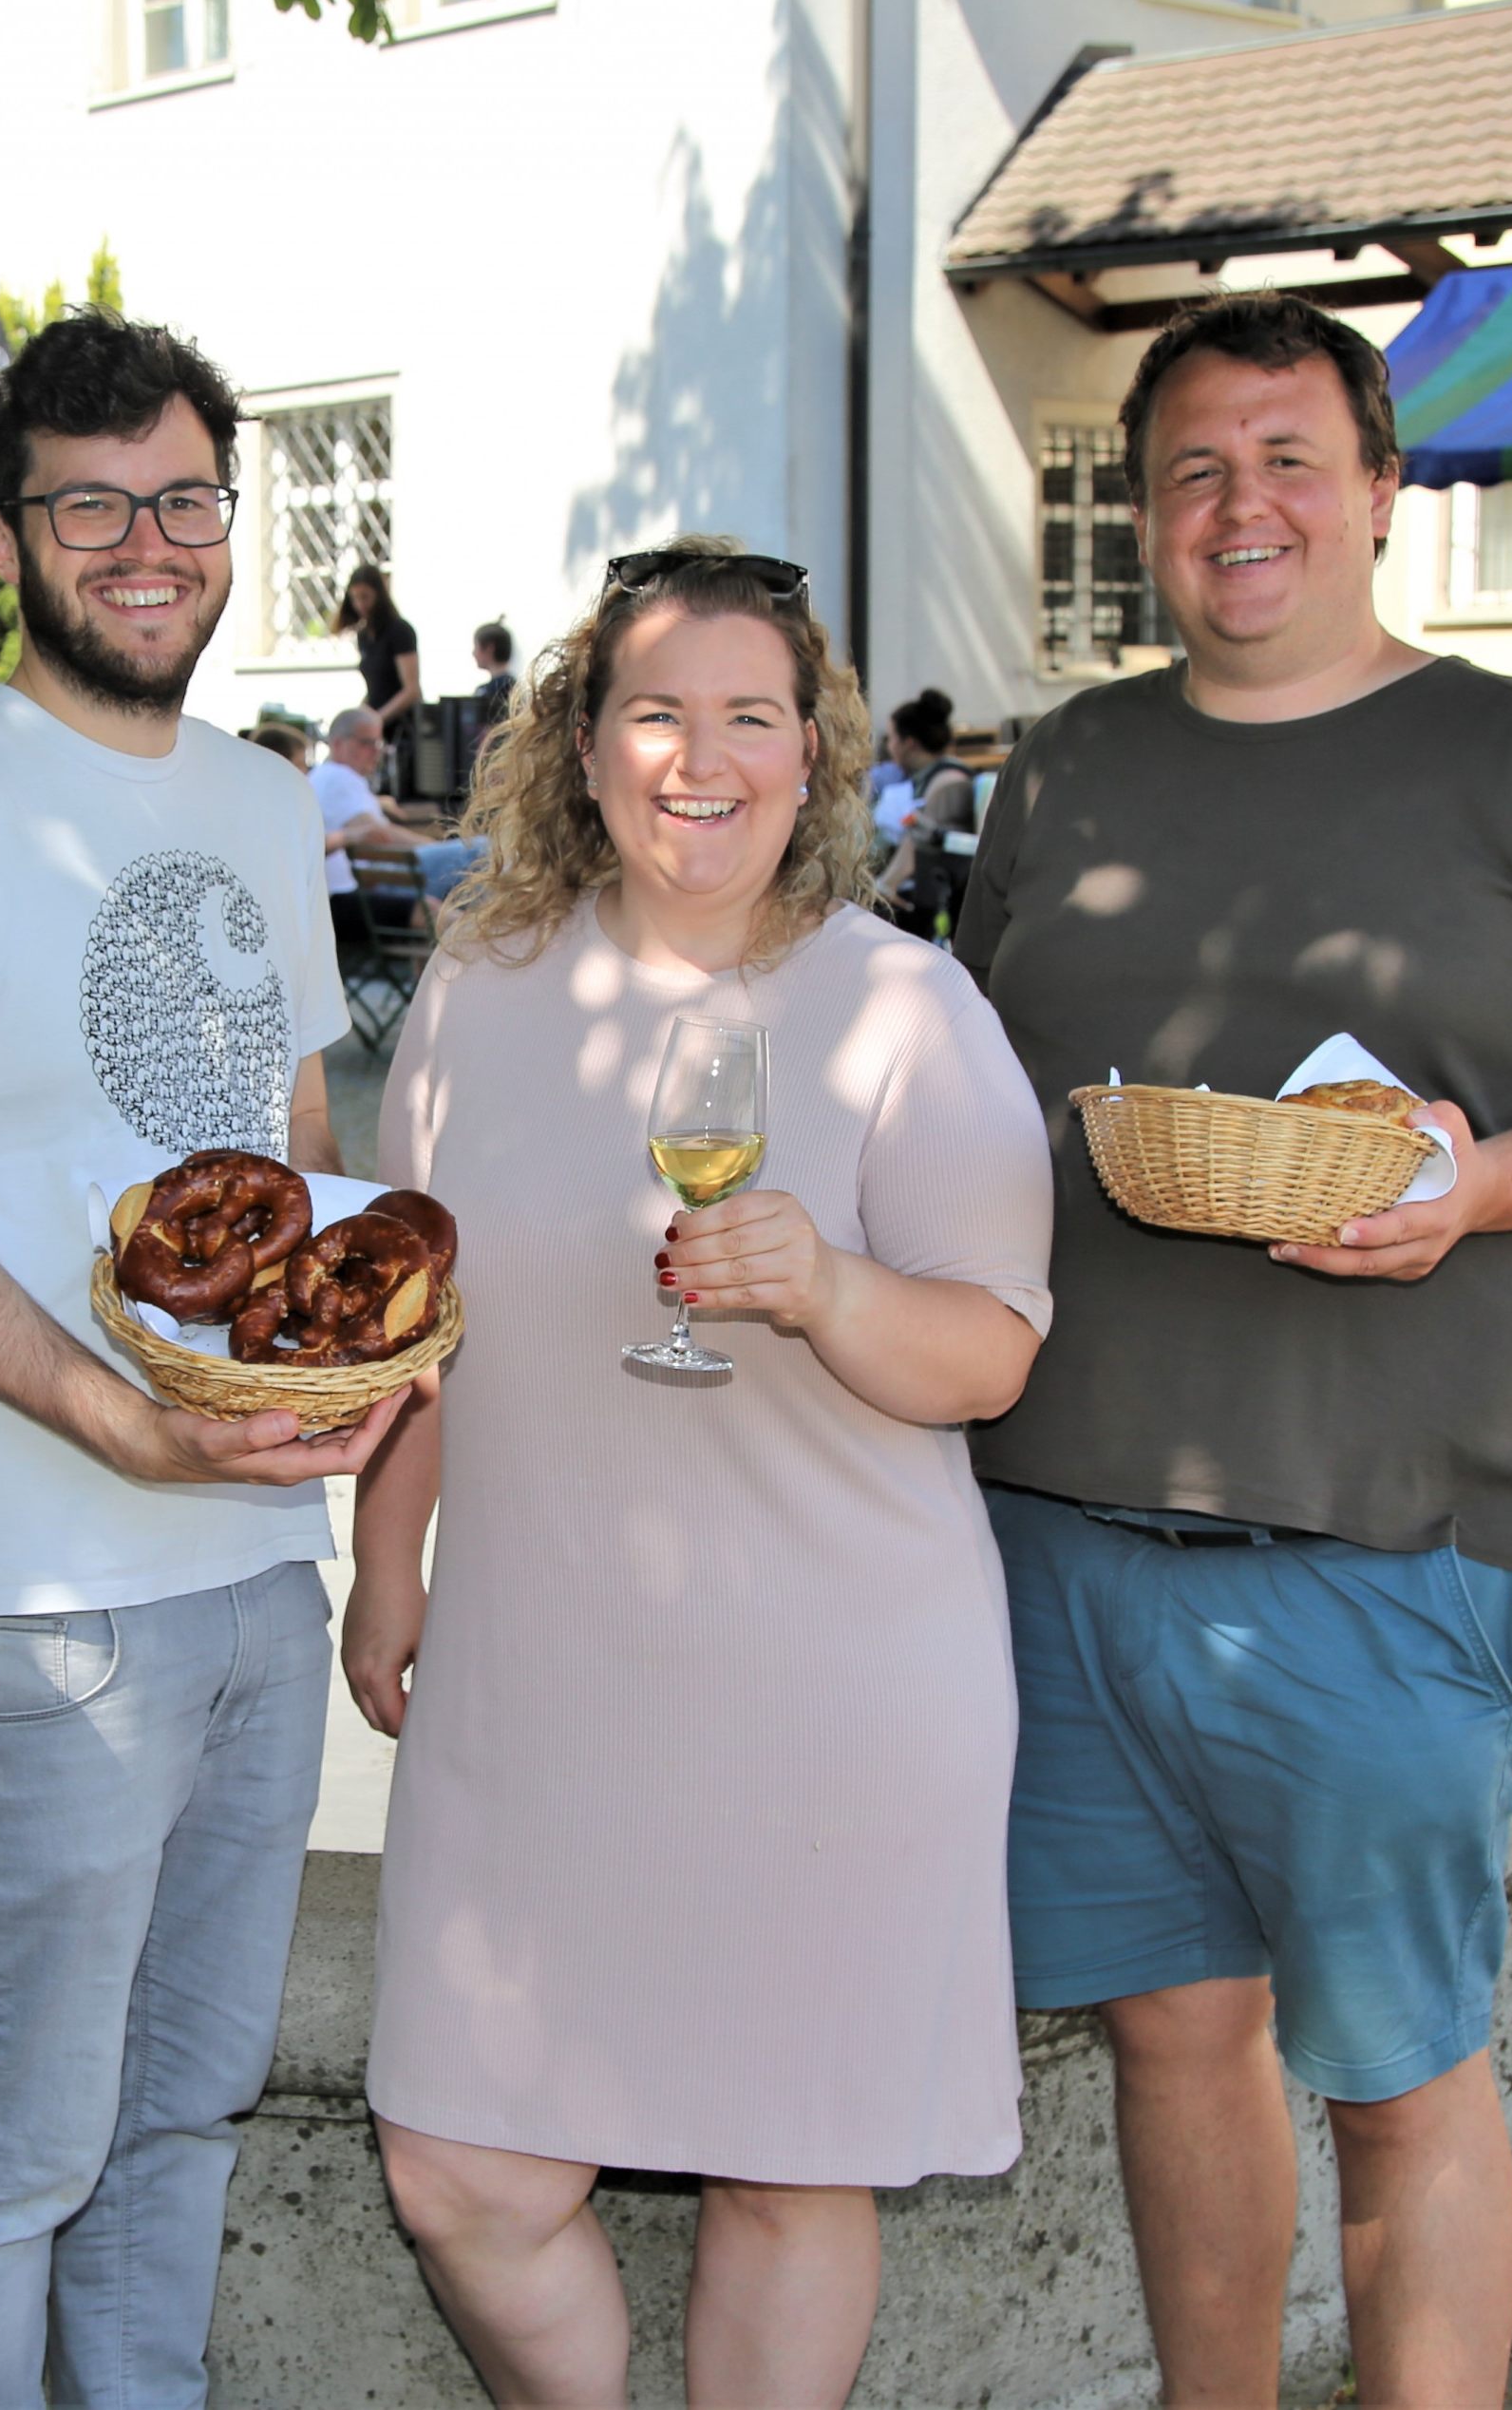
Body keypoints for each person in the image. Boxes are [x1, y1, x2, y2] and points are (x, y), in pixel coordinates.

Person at [954, 293, 1512, 2407]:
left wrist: (1471, 1184)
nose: (1241, 507)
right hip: (1062, 1532)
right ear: (1140, 514)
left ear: (1379, 491)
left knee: (1401, 2076)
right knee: (1167, 2033)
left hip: (1388, 1548)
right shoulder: (1063, 768)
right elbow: (969, 1100)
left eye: (1287, 459)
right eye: (1193, 471)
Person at [341, 539, 1054, 2406]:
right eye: (654, 712)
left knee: (784, 2156)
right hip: (538, 1675)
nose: (699, 757)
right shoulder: (477, 992)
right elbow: (413, 1305)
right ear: (578, 746)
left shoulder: (906, 1010)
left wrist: (822, 1288)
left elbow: (987, 1350)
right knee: (461, 2166)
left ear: (809, 756)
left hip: (827, 1688)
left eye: (750, 715)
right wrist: (383, 1548)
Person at [0, 307, 408, 2407]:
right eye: (88, 506)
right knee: (15, 2149)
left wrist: (340, 1374)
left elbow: (294, 1142)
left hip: (247, 1552)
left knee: (186, 2113)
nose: (143, 544)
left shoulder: (257, 801)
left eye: (180, 500)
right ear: (3, 539)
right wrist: (111, 1421)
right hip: (31, 1579)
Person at [315, 702, 436, 956]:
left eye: (378, 744)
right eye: (366, 743)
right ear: (338, 744)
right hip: (344, 899)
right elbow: (380, 835)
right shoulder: (338, 777)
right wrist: (438, 850)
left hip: (356, 891)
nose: (376, 752)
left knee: (449, 895)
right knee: (471, 863)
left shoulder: (331, 777)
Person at [866, 692, 975, 936]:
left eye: (892, 738)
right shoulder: (930, 778)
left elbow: (922, 839)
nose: (889, 746)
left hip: (933, 907)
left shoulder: (948, 782)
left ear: (910, 743)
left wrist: (885, 886)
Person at [337, 562, 422, 767]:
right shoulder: (364, 636)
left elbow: (411, 690)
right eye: (355, 598)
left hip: (400, 729)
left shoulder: (400, 631)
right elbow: (375, 687)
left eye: (365, 597)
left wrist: (377, 719)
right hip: (376, 725)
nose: (360, 604)